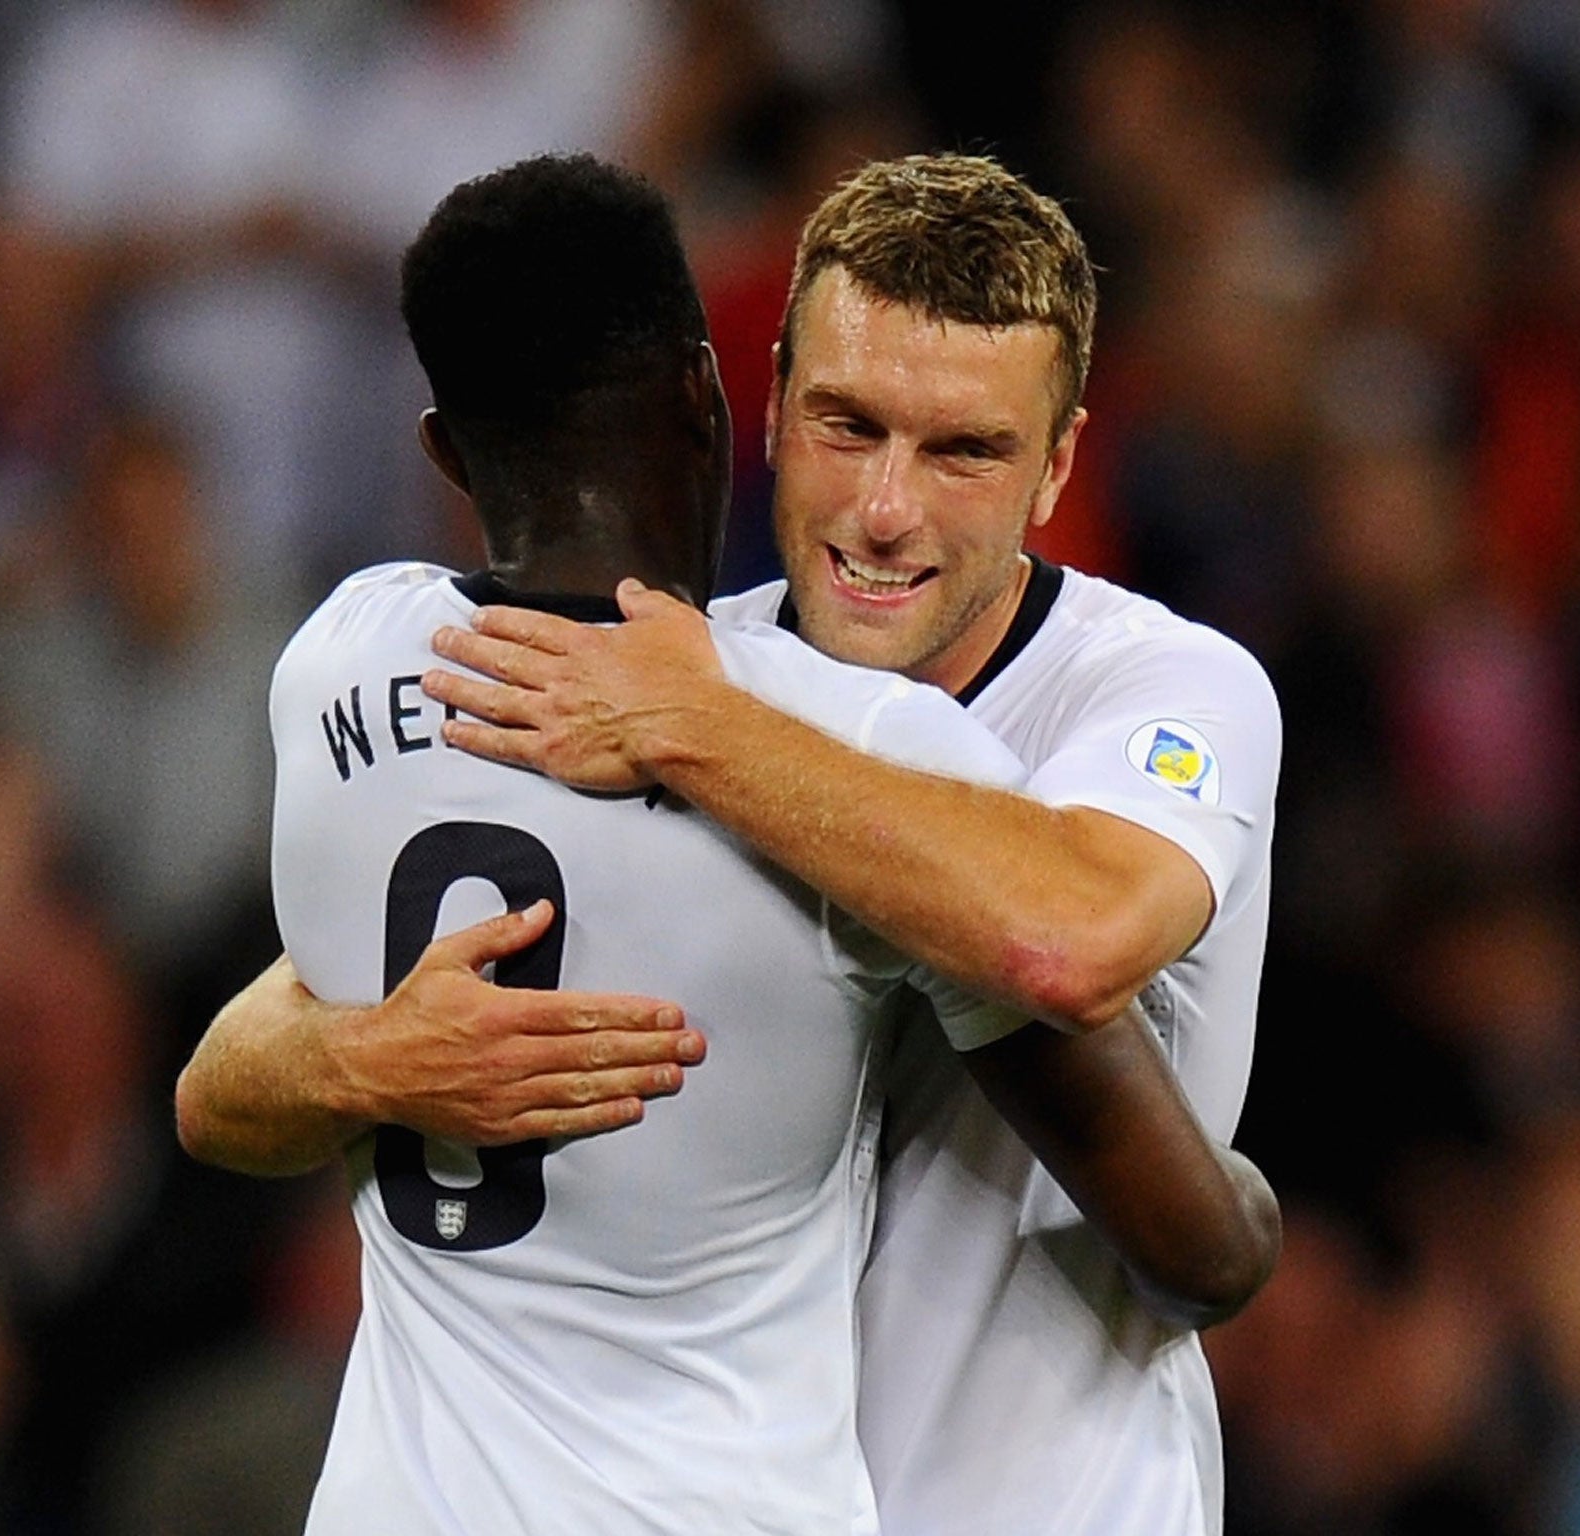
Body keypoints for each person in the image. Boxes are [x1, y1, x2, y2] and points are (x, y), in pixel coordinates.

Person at [180, 153, 1282, 1535]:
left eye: (965, 451)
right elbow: (236, 1064)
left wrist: (700, 732)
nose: (888, 509)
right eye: (847, 424)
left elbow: (1071, 933)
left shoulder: (1166, 689)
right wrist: (362, 1057)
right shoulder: (637, 669)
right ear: (753, 402)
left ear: (1058, 462)